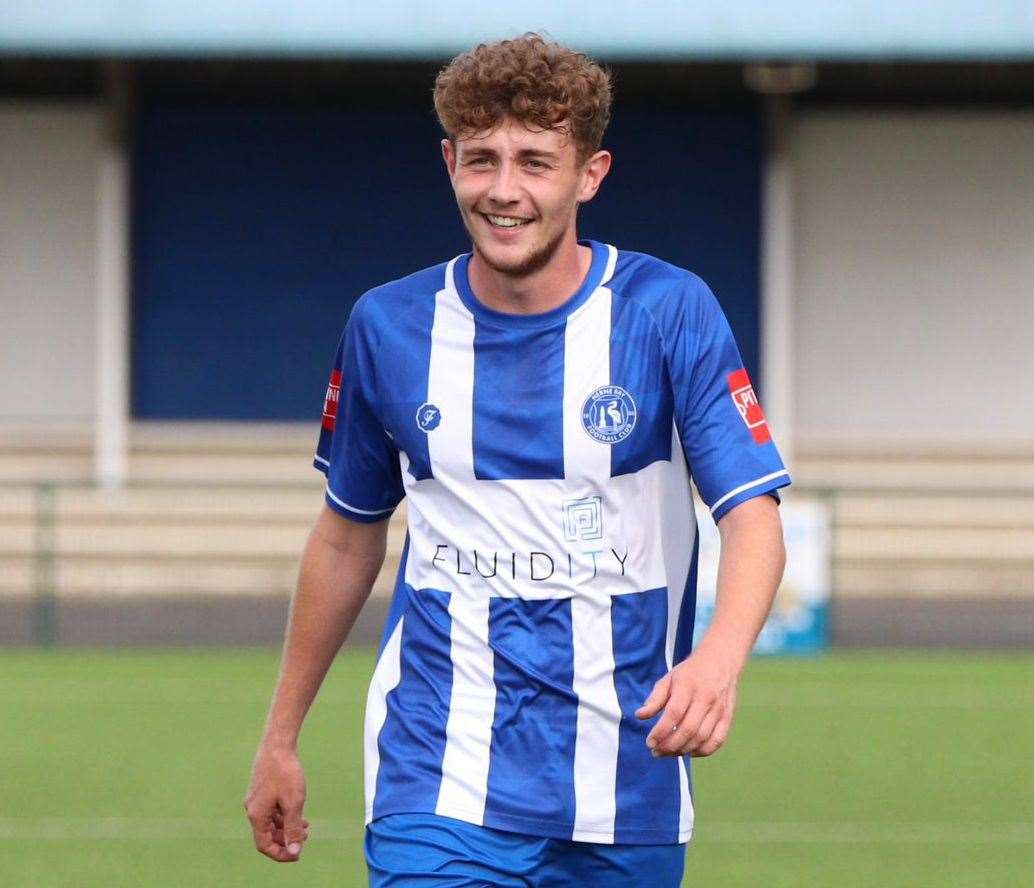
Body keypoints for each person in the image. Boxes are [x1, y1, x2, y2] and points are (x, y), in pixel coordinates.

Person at [244, 33, 789, 887]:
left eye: (536, 162)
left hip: (626, 775)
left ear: (590, 174)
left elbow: (752, 512)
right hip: (438, 765)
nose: (504, 190)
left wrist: (719, 660)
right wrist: (280, 737)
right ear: (448, 162)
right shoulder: (388, 326)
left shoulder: (667, 312)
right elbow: (348, 536)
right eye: (481, 160)